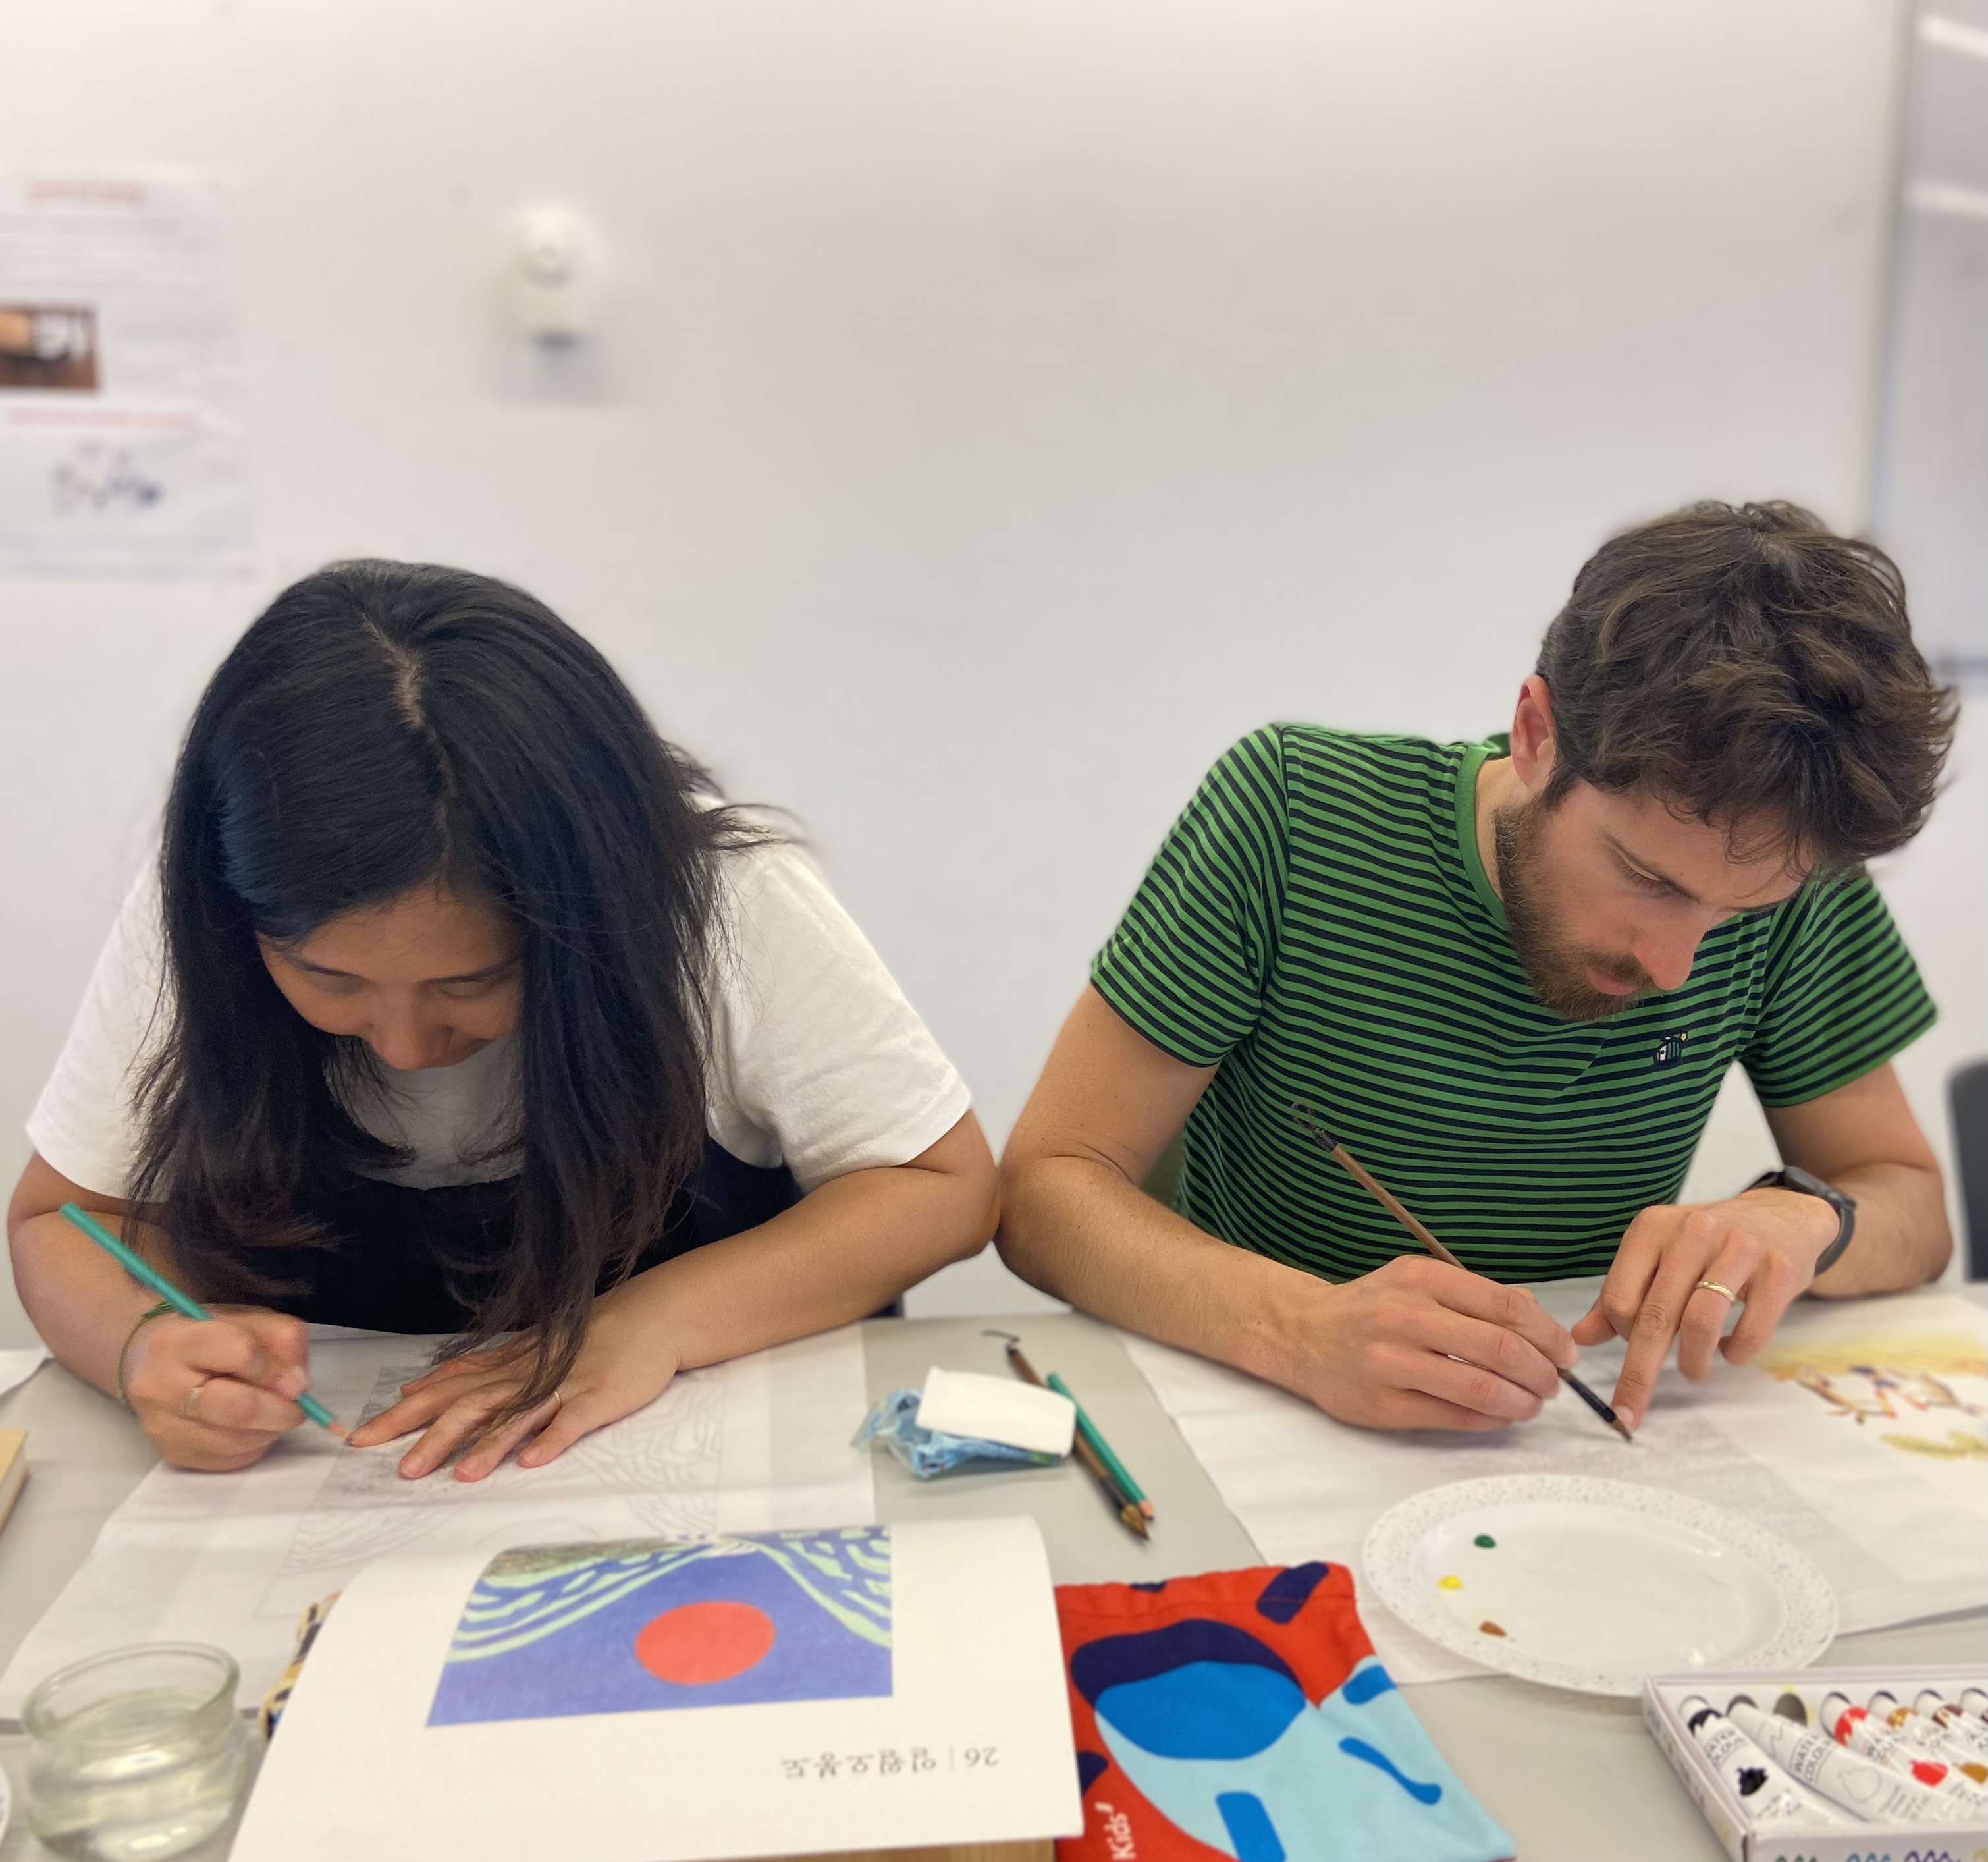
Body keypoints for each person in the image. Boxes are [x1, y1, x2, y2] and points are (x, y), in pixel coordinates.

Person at [9, 561, 996, 1478]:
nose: (404, 1046)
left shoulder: (726, 901)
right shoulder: (209, 910)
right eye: (328, 978)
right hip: (327, 1484)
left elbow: (939, 1187)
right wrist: (144, 1345)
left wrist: (651, 1324)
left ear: (590, 908)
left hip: (699, 1478)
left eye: (471, 981)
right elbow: (65, 1222)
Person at [998, 502, 1955, 1435]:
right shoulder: (1295, 817)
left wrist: (1807, 1219)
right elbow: (1046, 1188)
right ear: (1537, 734)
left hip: (1570, 1434)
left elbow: (1911, 1204)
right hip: (1268, 1423)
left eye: (1740, 914)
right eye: (1647, 880)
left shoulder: (1784, 871)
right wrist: (1299, 1328)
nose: (1676, 969)